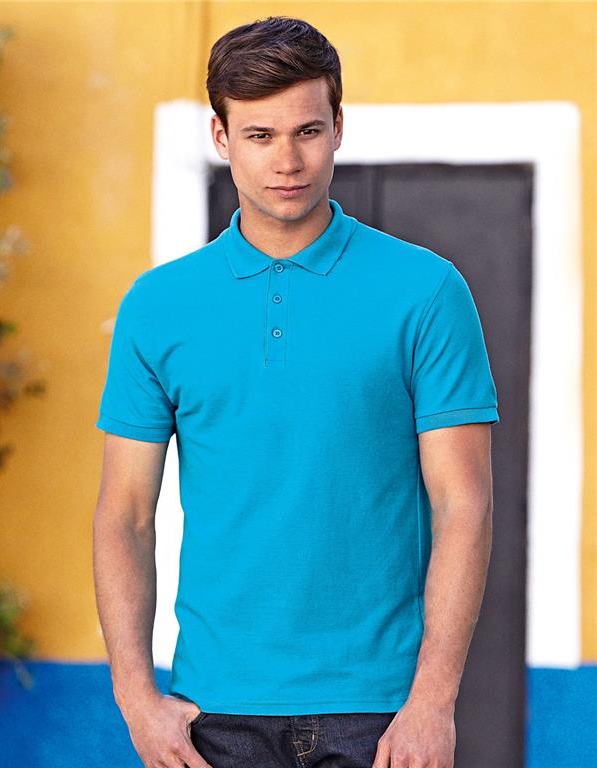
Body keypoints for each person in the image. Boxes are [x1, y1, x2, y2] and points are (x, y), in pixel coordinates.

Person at [93, 15, 499, 768]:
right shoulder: (159, 306)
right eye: (260, 135)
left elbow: (463, 502)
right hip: (213, 713)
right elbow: (125, 515)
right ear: (221, 137)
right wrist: (134, 697)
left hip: (380, 713)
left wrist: (433, 702)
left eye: (308, 131)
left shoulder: (426, 291)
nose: (287, 161)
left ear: (338, 127)